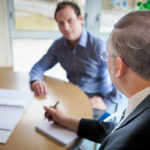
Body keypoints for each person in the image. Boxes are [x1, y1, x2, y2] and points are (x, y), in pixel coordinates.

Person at [44, 10, 150, 149]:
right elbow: (113, 130)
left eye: (107, 56)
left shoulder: (126, 142)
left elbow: (119, 138)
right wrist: (64, 119)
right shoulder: (140, 105)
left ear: (119, 66)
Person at [30, 1, 128, 120]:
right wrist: (36, 80)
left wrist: (107, 101)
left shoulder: (98, 45)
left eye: (70, 21)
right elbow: (39, 66)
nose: (66, 27)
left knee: (73, 127)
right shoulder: (58, 45)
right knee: (45, 116)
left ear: (80, 19)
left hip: (97, 98)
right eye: (61, 23)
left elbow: (121, 72)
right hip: (73, 94)